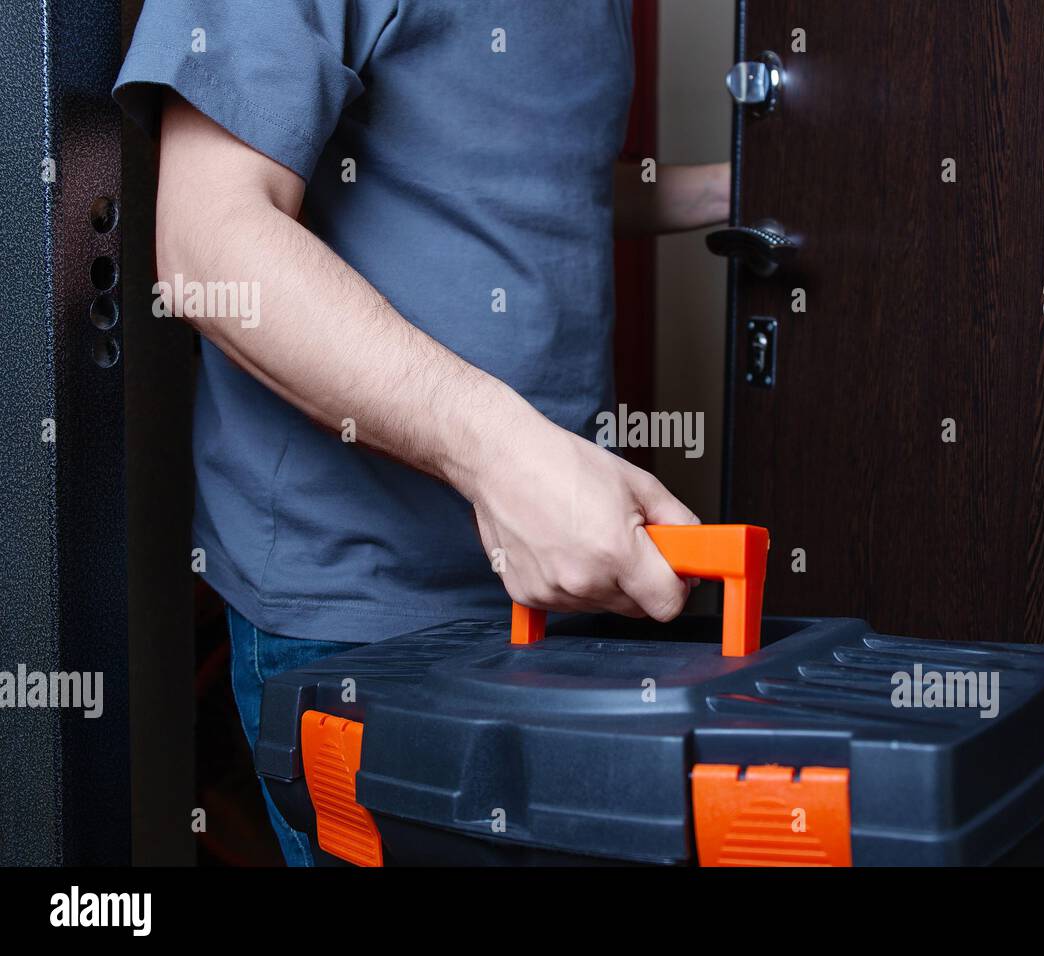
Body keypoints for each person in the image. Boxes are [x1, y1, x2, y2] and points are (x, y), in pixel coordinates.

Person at [114, 0, 729, 865]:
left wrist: (737, 189)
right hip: (364, 609)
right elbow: (208, 242)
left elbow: (513, 176)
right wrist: (500, 453)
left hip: (561, 581)